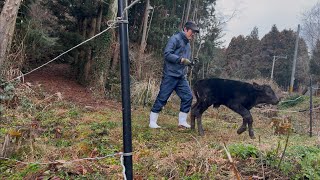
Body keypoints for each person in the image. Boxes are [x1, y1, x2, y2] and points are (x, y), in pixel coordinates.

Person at [149, 21, 200, 128]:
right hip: (170, 75)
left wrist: (190, 63)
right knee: (162, 97)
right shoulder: (175, 39)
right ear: (185, 29)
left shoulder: (188, 45)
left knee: (188, 97)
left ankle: (182, 122)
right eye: (192, 31)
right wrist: (181, 60)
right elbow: (167, 54)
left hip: (181, 77)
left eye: (195, 32)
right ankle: (152, 122)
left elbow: (184, 60)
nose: (193, 34)